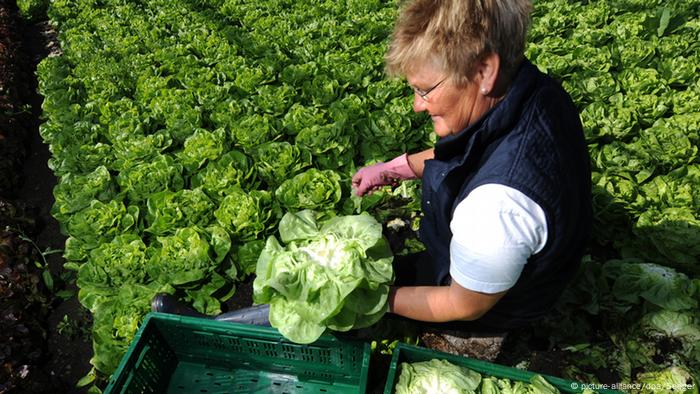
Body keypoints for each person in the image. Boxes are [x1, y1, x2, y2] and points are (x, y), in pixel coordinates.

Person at [352, 0, 592, 331]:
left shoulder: (496, 209)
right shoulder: (530, 88)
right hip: (516, 263)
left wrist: (377, 297)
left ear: (484, 72)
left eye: (424, 90)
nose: (417, 105)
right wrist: (394, 168)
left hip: (497, 303)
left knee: (347, 316)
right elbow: (469, 153)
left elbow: (463, 304)